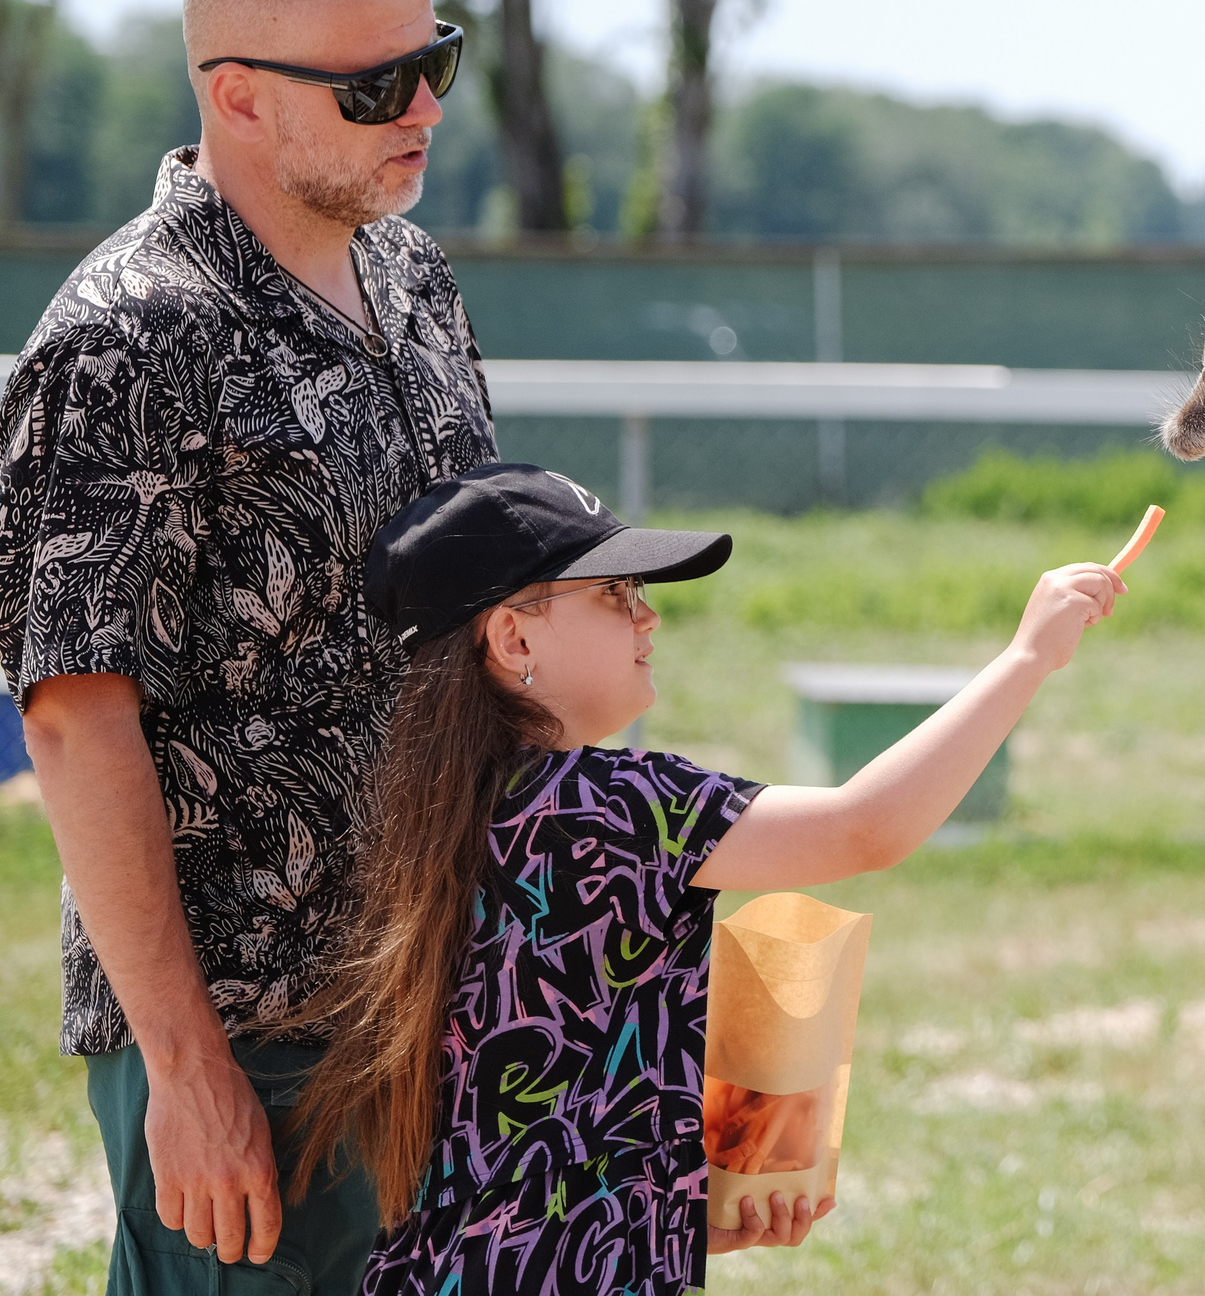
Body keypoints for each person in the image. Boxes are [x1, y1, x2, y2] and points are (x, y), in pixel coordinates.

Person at [282, 463, 1125, 1295]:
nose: (648, 616)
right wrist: (1026, 657)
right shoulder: (609, 806)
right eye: (614, 592)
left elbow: (522, 1143)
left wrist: (673, 1214)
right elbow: (864, 826)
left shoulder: (427, 823)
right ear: (514, 638)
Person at [0, 0, 498, 1292]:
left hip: (440, 989)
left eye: (436, 61)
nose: (424, 108)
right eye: (374, 85)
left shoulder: (413, 279)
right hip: (253, 1033)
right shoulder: (126, 336)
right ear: (239, 96)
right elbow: (73, 714)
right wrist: (187, 1067)